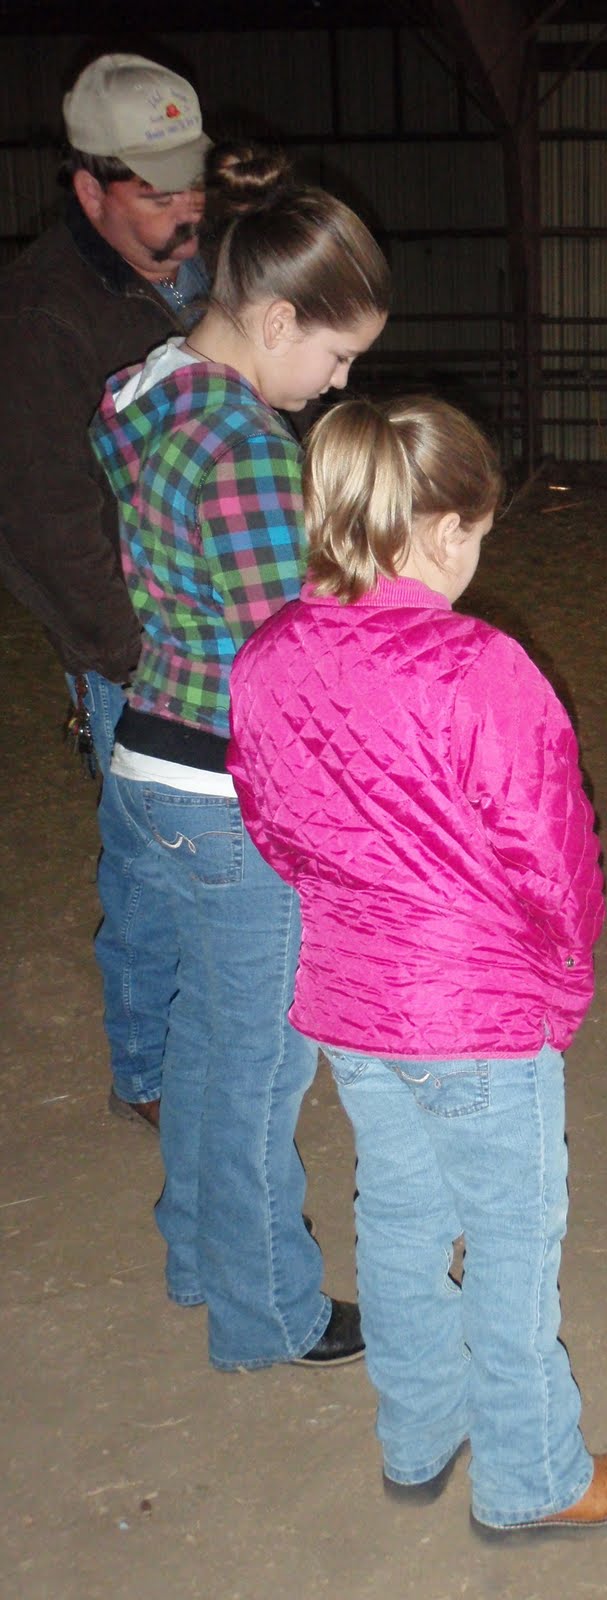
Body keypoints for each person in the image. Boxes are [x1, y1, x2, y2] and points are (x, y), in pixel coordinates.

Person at [226, 396, 607, 1529]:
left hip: (349, 1000)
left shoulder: (269, 656)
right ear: (451, 528)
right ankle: (535, 1476)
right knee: (514, 1239)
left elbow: (270, 825)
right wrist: (566, 970)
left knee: (402, 1215)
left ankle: (418, 1431)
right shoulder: (479, 669)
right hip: (476, 1009)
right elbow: (553, 855)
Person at [87, 146, 390, 1368]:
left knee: (208, 1043)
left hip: (147, 756)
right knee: (262, 1070)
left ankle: (198, 1253)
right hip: (233, 792)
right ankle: (272, 1311)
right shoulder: (252, 448)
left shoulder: (144, 391)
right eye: (335, 356)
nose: (335, 383)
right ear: (271, 318)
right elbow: (291, 659)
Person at [0, 52, 213, 1131]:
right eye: (157, 190)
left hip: (210, 622)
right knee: (148, 855)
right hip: (138, 646)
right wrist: (126, 655)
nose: (185, 210)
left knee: (208, 840)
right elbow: (39, 518)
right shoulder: (46, 316)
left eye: (192, 183)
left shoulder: (185, 272)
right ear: (90, 188)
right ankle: (148, 1067)